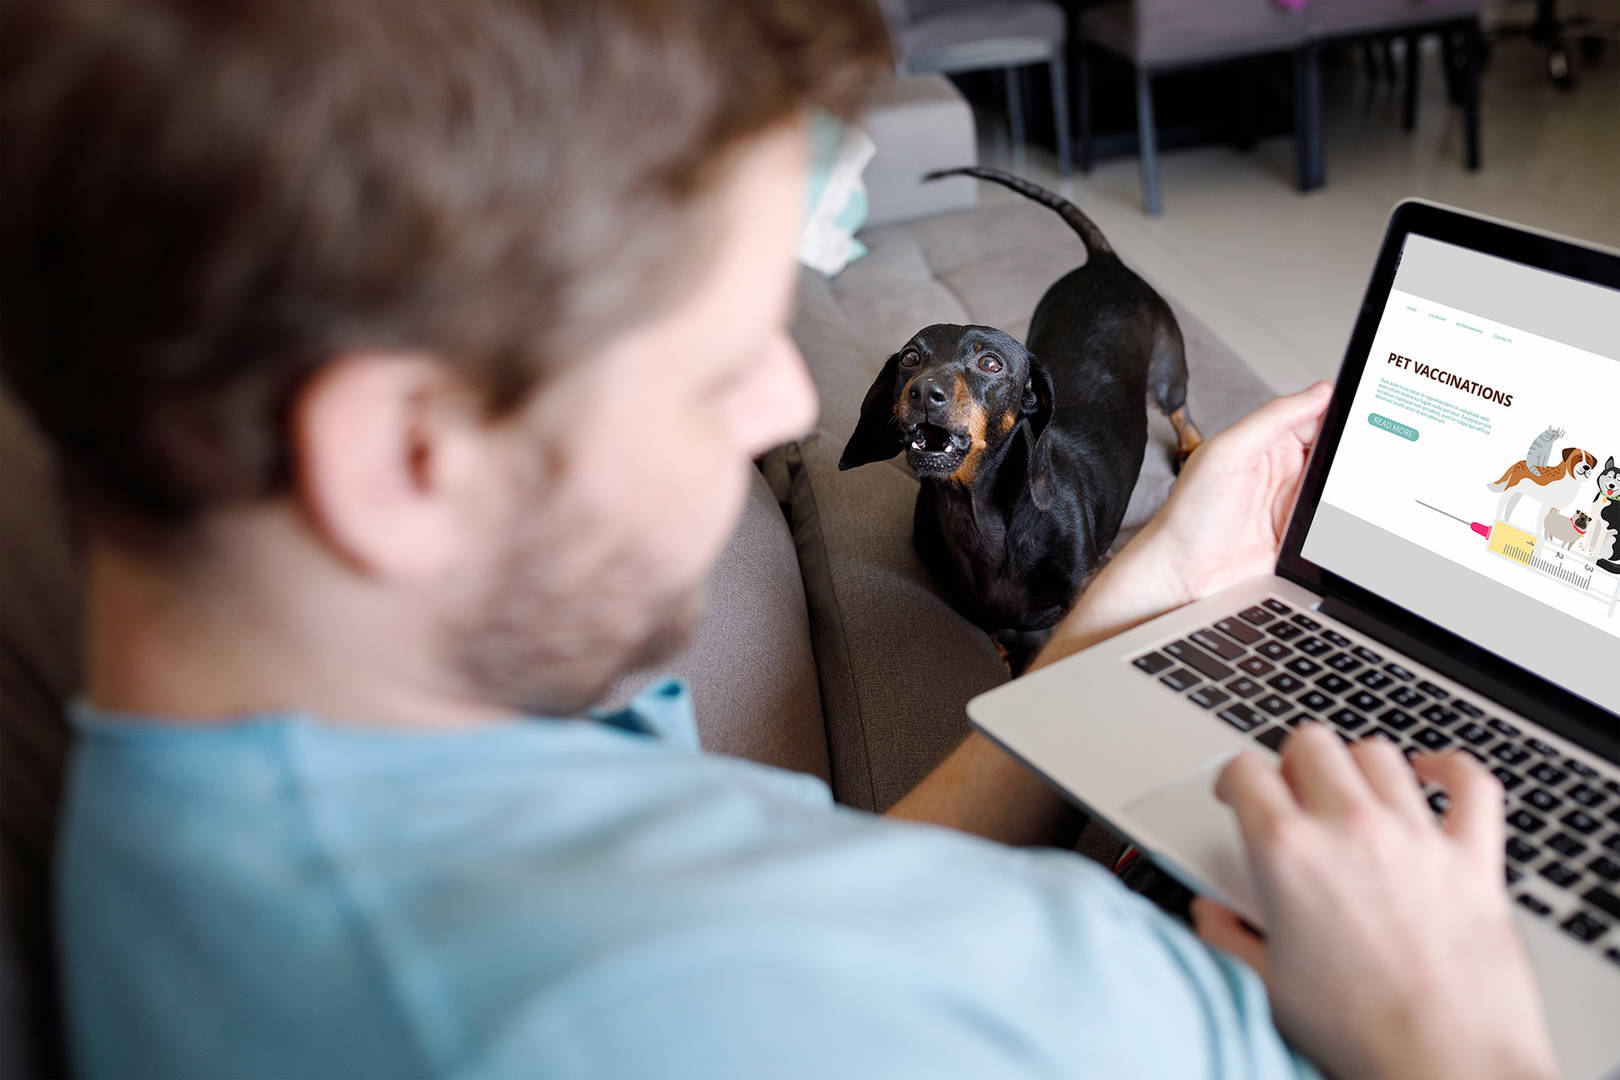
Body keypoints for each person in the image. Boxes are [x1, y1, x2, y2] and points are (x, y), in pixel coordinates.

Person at [0, 2, 1557, 1078]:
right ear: (399, 458)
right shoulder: (653, 1003)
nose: (775, 409)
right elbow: (758, 972)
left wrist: (1133, 607)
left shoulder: (301, 782)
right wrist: (1462, 1040)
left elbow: (833, 905)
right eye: (715, 353)